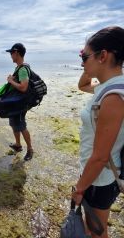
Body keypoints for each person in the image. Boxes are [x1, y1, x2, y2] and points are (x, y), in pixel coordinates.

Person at [72, 26, 124, 238]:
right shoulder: (108, 86)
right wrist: (87, 63)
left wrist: (79, 188)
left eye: (84, 56)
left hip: (100, 178)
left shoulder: (112, 96)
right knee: (94, 226)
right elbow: (82, 85)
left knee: (96, 230)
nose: (82, 61)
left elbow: (101, 156)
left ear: (103, 55)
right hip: (101, 175)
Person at [5, 43, 34, 161]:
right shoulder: (19, 67)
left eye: (11, 53)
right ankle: (18, 144)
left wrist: (10, 81)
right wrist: (12, 79)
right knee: (13, 123)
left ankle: (30, 149)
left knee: (22, 126)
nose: (11, 56)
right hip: (16, 103)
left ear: (16, 53)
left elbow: (23, 87)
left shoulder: (22, 69)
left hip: (21, 104)